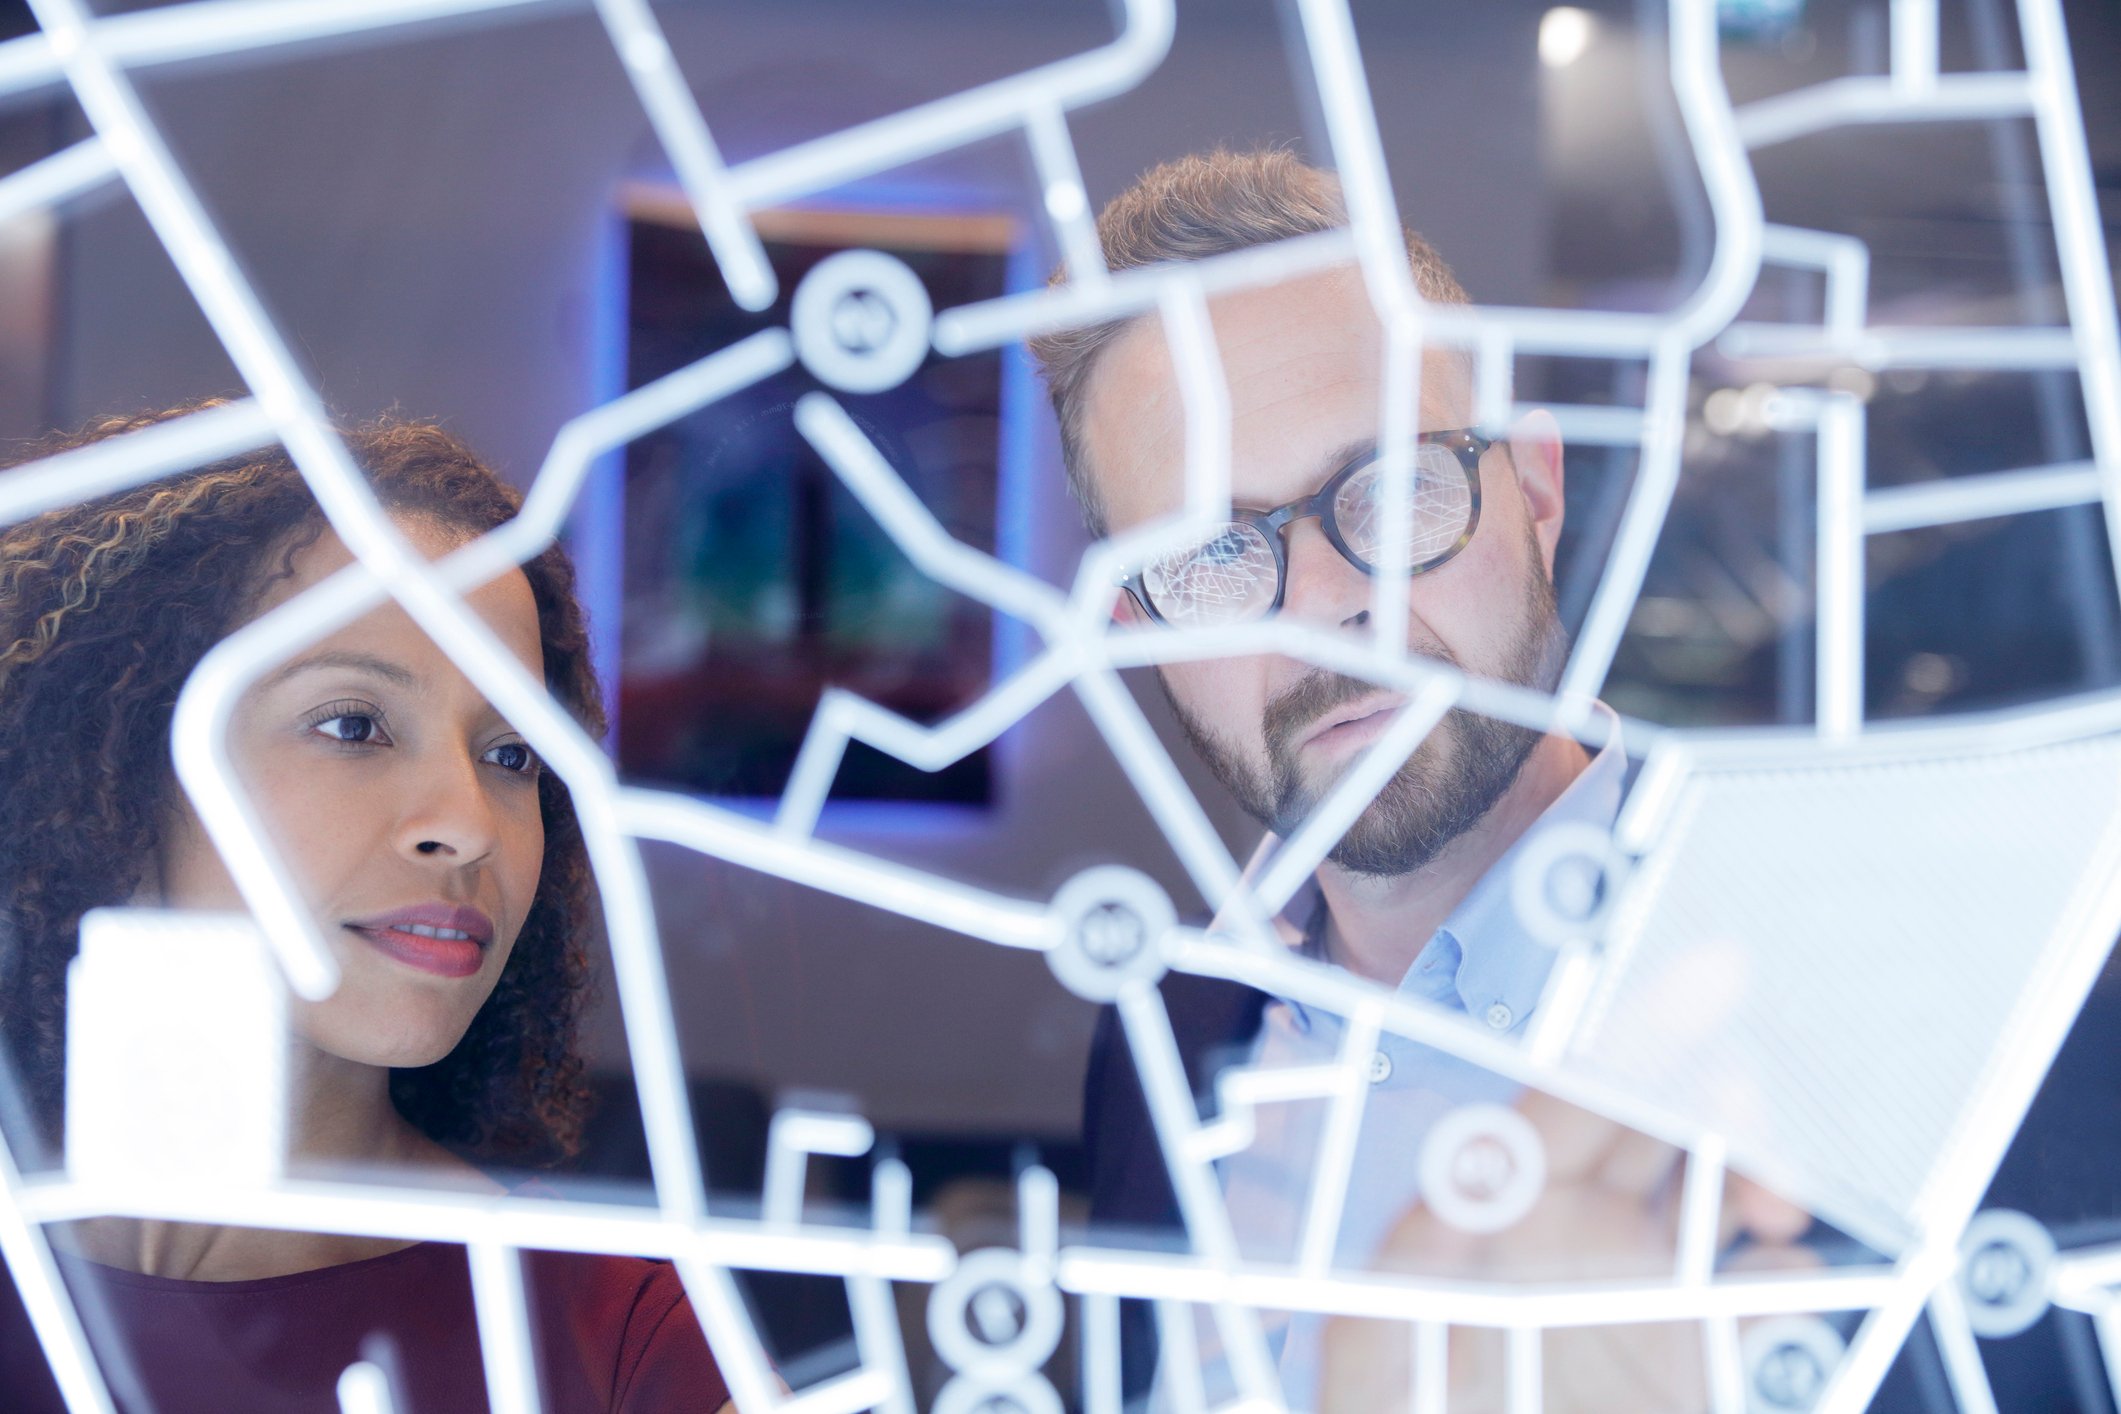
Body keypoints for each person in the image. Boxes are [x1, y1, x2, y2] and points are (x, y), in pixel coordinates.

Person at [1031, 149, 1810, 1410]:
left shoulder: (1827, 987)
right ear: (1139, 623)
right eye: (1220, 555)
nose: (1334, 606)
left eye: (1392, 488)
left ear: (1537, 491)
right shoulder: (1162, 1043)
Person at [0, 406, 736, 1413]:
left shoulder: (604, 1330)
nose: (469, 824)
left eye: (512, 753)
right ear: (113, 763)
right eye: (354, 724)